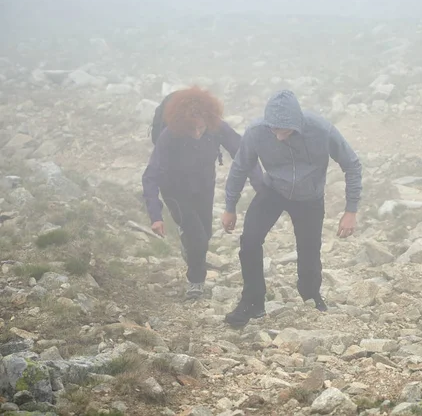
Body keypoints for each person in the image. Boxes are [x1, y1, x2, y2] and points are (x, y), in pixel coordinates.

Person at [221, 89, 362, 327]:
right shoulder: (256, 132)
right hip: (273, 190)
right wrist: (229, 206)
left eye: (283, 130)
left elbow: (352, 164)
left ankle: (311, 296)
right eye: (273, 129)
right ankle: (252, 301)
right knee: (250, 241)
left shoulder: (321, 130)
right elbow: (240, 167)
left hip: (310, 196)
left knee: (309, 249)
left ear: (297, 124)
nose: (277, 136)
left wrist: (351, 210)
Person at [142, 86, 263, 300]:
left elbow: (243, 154)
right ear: (181, 124)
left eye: (201, 128)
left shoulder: (217, 127)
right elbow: (151, 175)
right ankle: (196, 282)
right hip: (175, 190)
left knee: (204, 235)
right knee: (197, 238)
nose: (197, 133)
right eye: (192, 129)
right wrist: (156, 215)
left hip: (204, 186)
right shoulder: (169, 135)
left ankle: (190, 245)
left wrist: (260, 185)